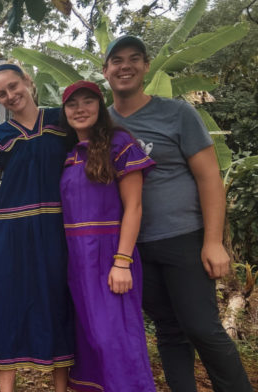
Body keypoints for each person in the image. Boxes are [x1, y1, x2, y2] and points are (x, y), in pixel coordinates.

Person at [103, 35, 252, 391]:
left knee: (202, 327)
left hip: (183, 236)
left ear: (146, 66)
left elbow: (209, 178)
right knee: (169, 331)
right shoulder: (100, 124)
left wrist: (213, 242)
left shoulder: (177, 113)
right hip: (135, 245)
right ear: (105, 70)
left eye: (134, 59)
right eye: (117, 60)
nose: (125, 66)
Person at [0, 63, 75, 392]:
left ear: (28, 82)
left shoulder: (63, 121)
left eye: (13, 86)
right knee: (9, 305)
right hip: (9, 236)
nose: (10, 95)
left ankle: (62, 387)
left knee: (58, 301)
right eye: (1, 94)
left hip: (56, 231)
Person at [59, 80, 156, 391]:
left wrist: (123, 261)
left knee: (115, 339)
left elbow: (135, 207)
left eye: (88, 101)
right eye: (72, 104)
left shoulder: (120, 143)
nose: (80, 109)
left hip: (110, 255)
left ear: (100, 107)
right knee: (90, 340)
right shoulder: (69, 153)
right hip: (77, 260)